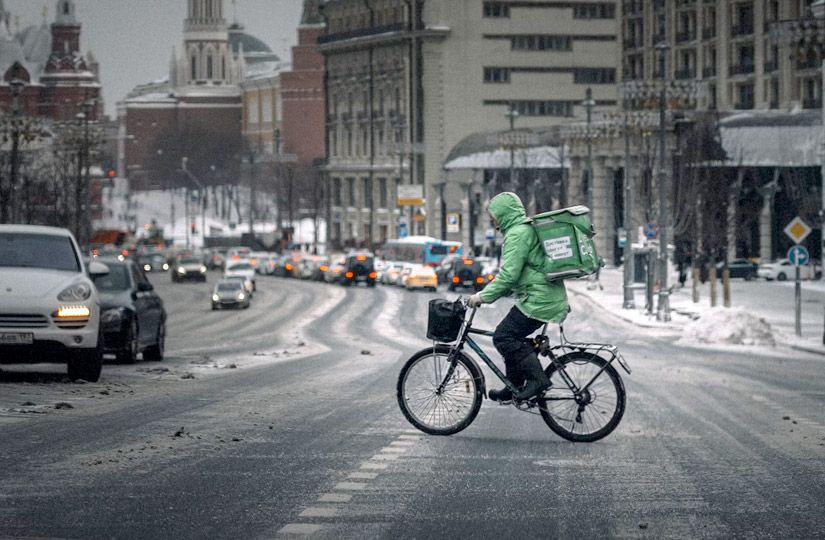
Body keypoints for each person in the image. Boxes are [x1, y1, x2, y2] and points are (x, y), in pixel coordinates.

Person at [468, 192, 569, 402]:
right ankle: (513, 385)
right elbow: (515, 278)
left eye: (494, 215)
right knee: (511, 337)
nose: (493, 220)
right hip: (541, 296)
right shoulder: (522, 230)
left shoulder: (517, 234)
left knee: (503, 337)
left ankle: (537, 380)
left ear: (504, 213)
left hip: (540, 299)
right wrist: (494, 293)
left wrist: (482, 296)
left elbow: (508, 275)